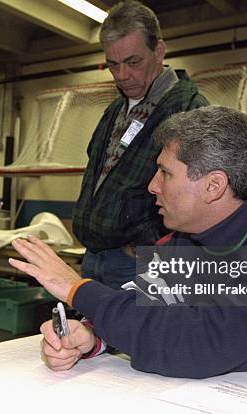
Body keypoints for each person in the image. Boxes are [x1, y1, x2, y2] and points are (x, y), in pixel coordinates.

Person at [9, 106, 247, 399]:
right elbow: (142, 310)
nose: (152, 186)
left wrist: (78, 289)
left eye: (165, 174)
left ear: (214, 186)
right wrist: (92, 337)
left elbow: (196, 346)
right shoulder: (183, 242)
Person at [73, 0, 208, 289]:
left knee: (136, 334)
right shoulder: (113, 112)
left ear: (159, 50)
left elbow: (196, 197)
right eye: (113, 64)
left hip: (138, 263)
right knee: (90, 334)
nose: (122, 75)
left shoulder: (188, 110)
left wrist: (148, 245)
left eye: (133, 62)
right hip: (94, 257)